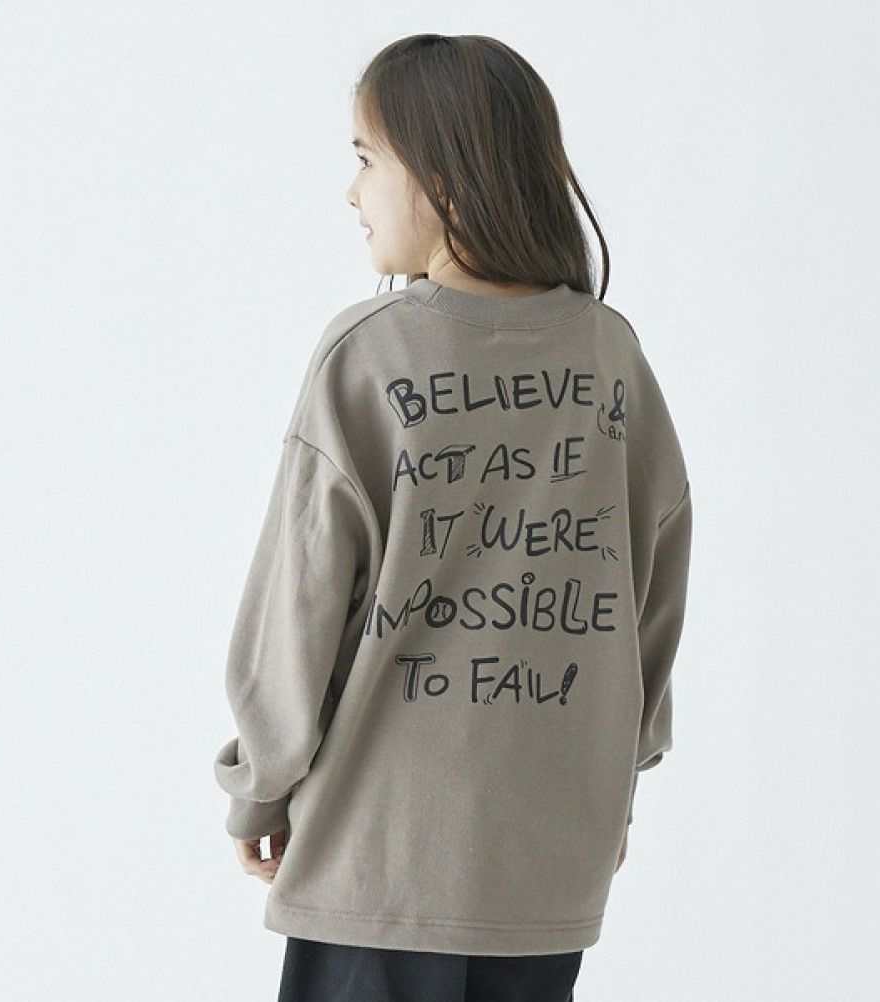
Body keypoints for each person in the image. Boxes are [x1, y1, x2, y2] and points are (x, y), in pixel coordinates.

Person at [213, 33, 693, 1002]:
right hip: (548, 865)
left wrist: (259, 787)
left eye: (365, 159)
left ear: (441, 174)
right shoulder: (610, 359)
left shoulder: (370, 354)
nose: (351, 192)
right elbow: (652, 588)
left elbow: (297, 606)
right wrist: (617, 778)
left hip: (380, 865)